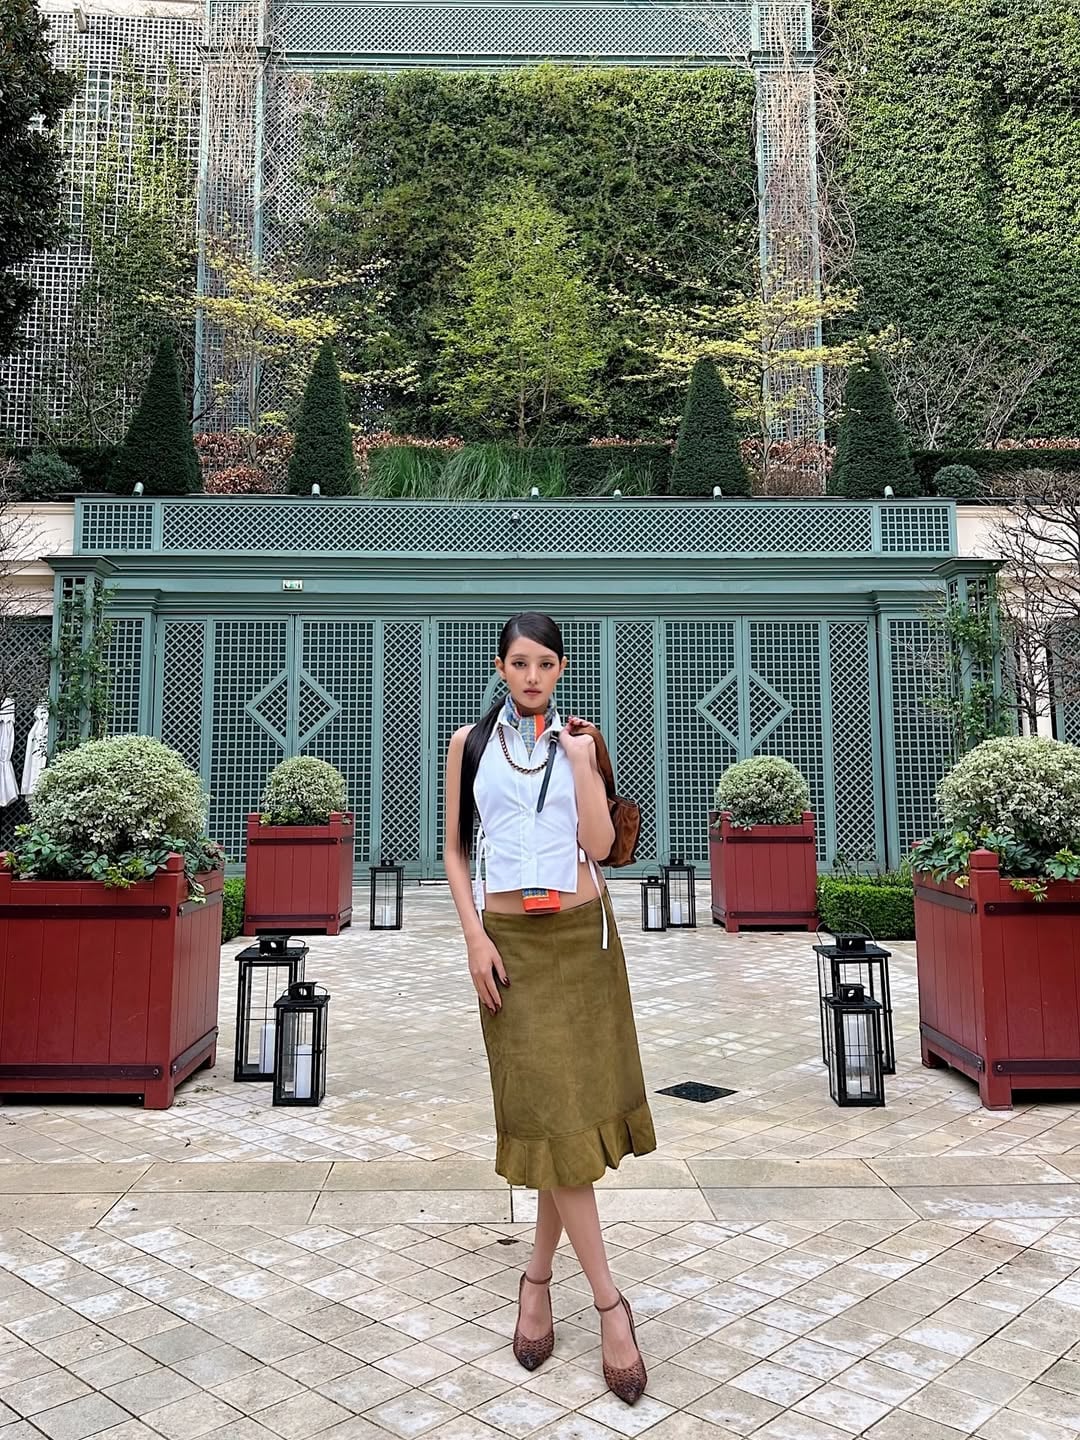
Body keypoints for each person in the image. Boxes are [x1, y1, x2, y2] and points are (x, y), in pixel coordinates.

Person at [444, 612, 657, 1405]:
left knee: (563, 1124)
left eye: (545, 663)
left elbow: (600, 847)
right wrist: (473, 938)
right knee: (546, 1113)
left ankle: (537, 1282)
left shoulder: (581, 743)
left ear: (561, 669)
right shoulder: (468, 744)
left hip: (582, 943)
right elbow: (454, 850)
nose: (532, 676)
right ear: (500, 668)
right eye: (519, 663)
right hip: (510, 946)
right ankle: (610, 1306)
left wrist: (584, 766)